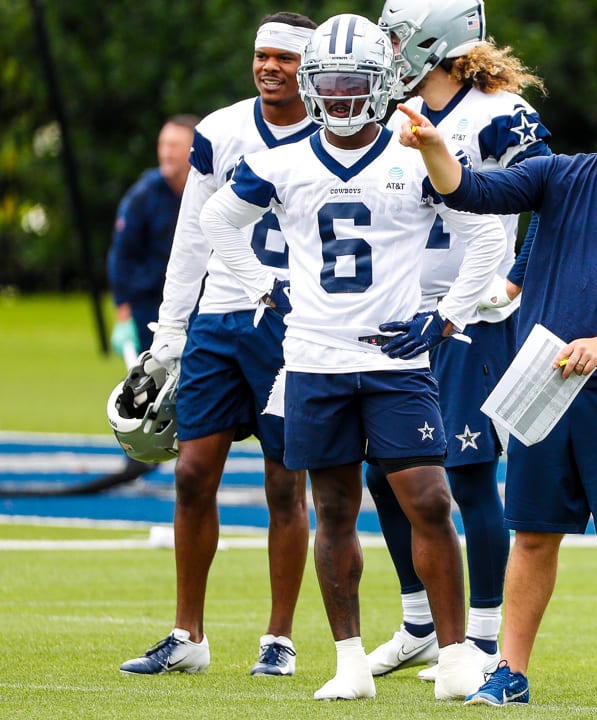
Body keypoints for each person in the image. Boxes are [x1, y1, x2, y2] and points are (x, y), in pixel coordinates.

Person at [202, 13, 506, 702]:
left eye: (353, 85)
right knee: (333, 509)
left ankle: (457, 652)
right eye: (329, 85)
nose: (339, 99)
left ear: (381, 84)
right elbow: (217, 219)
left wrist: (447, 315)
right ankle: (348, 660)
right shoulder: (282, 160)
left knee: (430, 498)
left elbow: (486, 237)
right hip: (314, 360)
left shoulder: (414, 150)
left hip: (396, 361)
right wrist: (260, 287)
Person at [398, 61, 597, 710]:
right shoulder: (559, 175)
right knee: (533, 533)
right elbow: (470, 193)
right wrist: (432, 148)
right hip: (543, 387)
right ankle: (510, 671)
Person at [119, 12, 317, 678]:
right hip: (220, 315)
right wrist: (171, 330)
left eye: (285, 59)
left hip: (294, 322)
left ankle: (279, 638)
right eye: (263, 55)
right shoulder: (221, 129)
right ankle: (188, 635)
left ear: (308, 66)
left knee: (285, 483)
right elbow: (193, 234)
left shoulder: (334, 129)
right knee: (192, 472)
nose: (270, 67)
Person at [362, 0, 552, 682]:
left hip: (473, 316)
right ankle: (419, 622)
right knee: (382, 474)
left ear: (434, 41)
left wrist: (520, 280)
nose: (385, 50)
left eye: (395, 37)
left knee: (467, 475)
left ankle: (480, 635)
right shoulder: (391, 115)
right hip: (404, 314)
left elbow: (550, 196)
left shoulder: (498, 111)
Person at [107, 114, 199, 361]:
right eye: (163, 145)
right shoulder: (143, 195)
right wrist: (123, 314)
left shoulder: (208, 189)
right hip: (149, 305)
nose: (166, 153)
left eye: (174, 147)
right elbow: (122, 255)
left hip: (198, 301)